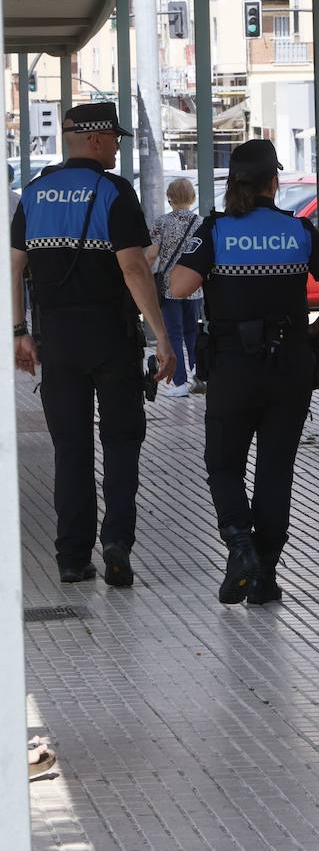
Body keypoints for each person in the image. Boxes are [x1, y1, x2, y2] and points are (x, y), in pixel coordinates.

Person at [169, 140, 319, 605]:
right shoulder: (298, 231)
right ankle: (266, 577)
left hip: (233, 365)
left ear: (233, 184)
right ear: (275, 181)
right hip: (290, 364)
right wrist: (316, 330)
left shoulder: (216, 231)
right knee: (276, 470)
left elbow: (178, 285)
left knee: (223, 463)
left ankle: (240, 547)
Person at [10, 102, 175, 587]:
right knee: (122, 441)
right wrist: (162, 336)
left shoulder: (35, 194)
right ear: (98, 139)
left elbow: (15, 267)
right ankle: (117, 543)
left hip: (57, 341)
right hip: (111, 339)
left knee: (71, 448)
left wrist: (20, 331)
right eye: (117, 139)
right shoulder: (113, 192)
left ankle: (71, 557)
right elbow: (133, 268)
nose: (119, 147)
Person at [147, 178, 205, 397]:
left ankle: (180, 383)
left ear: (169, 196)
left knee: (173, 334)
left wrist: (141, 274)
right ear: (192, 197)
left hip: (169, 288)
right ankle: (198, 376)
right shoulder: (200, 223)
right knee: (192, 332)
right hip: (194, 287)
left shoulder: (162, 222)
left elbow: (152, 254)